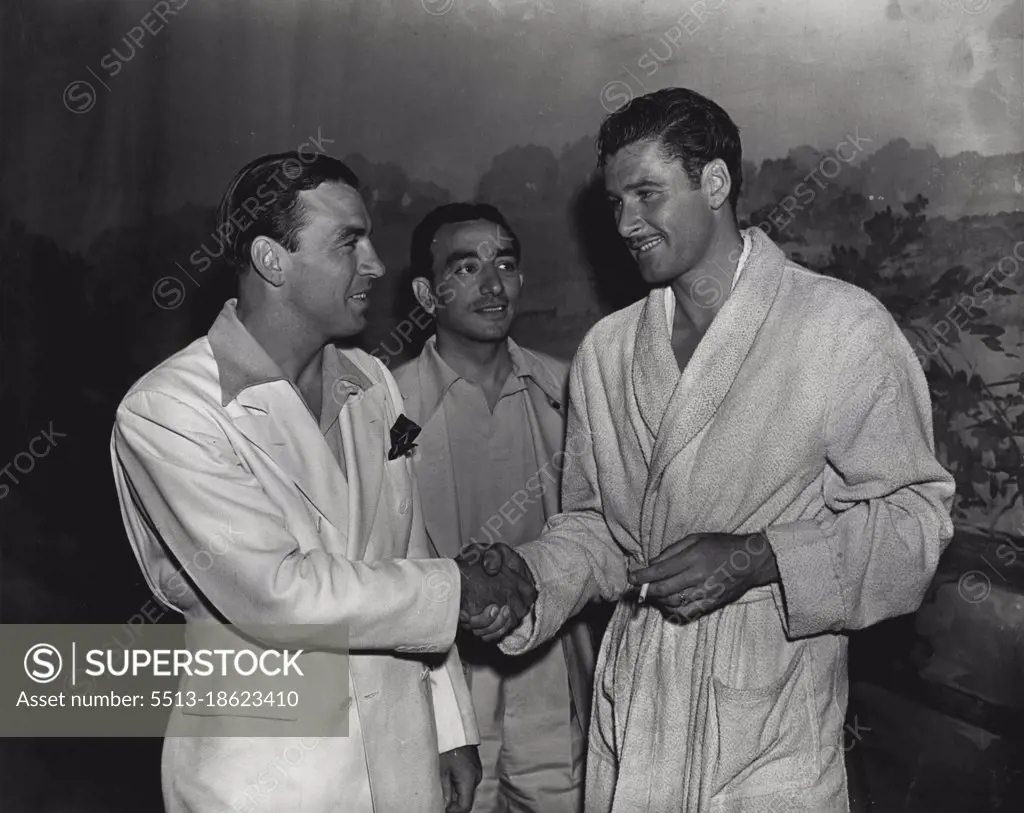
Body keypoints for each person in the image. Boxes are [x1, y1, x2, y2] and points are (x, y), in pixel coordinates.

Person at [463, 88, 956, 812]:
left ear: (715, 183)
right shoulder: (606, 351)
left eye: (647, 194)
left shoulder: (840, 327)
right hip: (634, 708)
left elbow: (916, 526)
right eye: (614, 202)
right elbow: (599, 529)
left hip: (769, 719)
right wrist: (530, 578)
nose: (627, 223)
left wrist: (760, 556)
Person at [110, 152, 536, 813]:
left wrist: (451, 726)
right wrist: (461, 587)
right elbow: (277, 594)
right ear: (272, 260)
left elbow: (409, 549)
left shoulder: (371, 380)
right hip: (267, 782)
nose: (375, 263)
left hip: (403, 763)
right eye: (349, 242)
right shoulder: (168, 409)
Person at [394, 203, 598, 812]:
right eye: (467, 267)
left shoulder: (572, 389)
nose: (492, 284)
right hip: (438, 688)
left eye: (505, 263)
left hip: (553, 681)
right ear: (428, 293)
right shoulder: (381, 406)